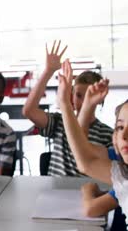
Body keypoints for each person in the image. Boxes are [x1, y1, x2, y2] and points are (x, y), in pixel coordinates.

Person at [22, 40, 113, 176]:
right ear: (71, 95)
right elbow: (29, 111)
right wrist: (48, 71)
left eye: (89, 96)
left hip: (86, 194)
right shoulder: (60, 121)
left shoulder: (107, 134)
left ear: (100, 99)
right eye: (78, 95)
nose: (83, 102)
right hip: (56, 192)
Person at [57, 59, 128, 214]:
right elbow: (84, 155)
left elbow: (90, 210)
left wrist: (89, 190)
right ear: (114, 138)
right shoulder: (124, 172)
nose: (125, 135)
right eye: (120, 127)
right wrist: (87, 105)